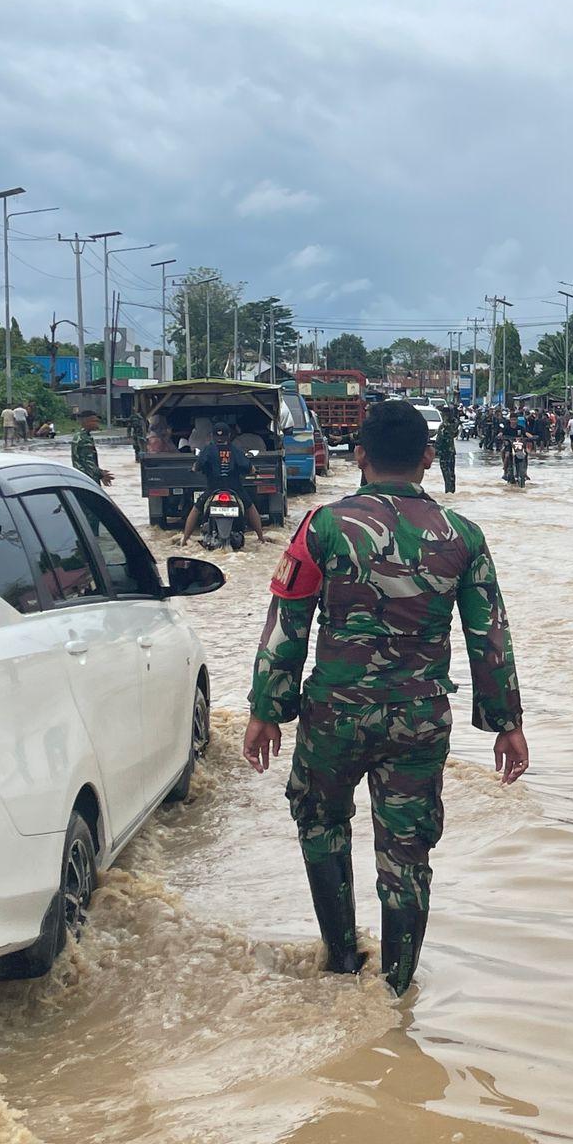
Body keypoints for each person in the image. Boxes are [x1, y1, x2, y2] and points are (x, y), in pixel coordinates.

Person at [242, 400, 528, 997]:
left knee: (320, 825)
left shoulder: (320, 527)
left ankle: (342, 960)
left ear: (359, 454)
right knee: (408, 851)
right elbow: (489, 637)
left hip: (333, 717)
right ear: (428, 457)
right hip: (420, 719)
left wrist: (266, 709)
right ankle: (396, 990)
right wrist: (506, 723)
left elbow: (287, 621)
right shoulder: (462, 535)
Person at [180, 421, 266, 545]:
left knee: (196, 509)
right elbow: (247, 466)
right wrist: (253, 470)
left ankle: (185, 539)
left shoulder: (208, 450)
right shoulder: (234, 450)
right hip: (235, 489)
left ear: (213, 436)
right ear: (229, 435)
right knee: (250, 507)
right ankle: (261, 538)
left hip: (213, 488)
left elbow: (198, 465)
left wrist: (193, 469)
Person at [69, 410, 113, 486]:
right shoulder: (84, 439)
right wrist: (101, 474)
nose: (97, 424)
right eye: (95, 421)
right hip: (88, 479)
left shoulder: (80, 436)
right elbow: (88, 462)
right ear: (87, 422)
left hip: (81, 478)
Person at [436, 408, 457, 493]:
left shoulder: (443, 426)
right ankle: (452, 492)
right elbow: (455, 432)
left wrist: (436, 451)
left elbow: (439, 440)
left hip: (444, 452)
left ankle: (448, 492)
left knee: (446, 473)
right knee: (451, 473)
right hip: (451, 452)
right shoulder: (453, 425)